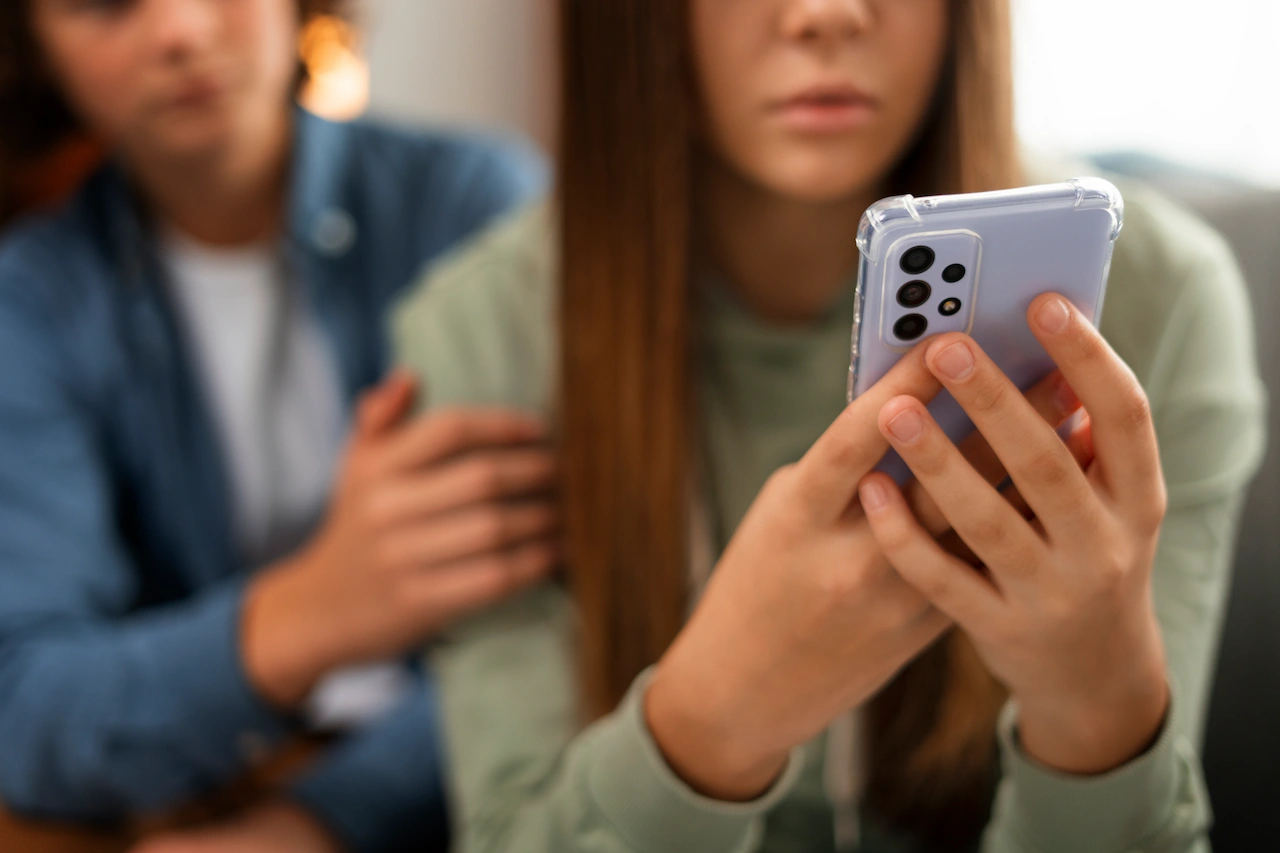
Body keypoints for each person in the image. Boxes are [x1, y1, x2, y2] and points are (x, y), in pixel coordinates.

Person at [389, 0, 1267, 851]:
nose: (827, 13)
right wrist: (711, 717)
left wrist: (1097, 708)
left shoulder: (1156, 297)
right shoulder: (479, 334)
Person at [0, 1, 556, 851]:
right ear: (30, 42)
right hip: (195, 798)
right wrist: (315, 609)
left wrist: (315, 820)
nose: (179, 30)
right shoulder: (31, 302)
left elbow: (566, 638)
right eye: (104, 0)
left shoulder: (475, 206)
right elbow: (29, 712)